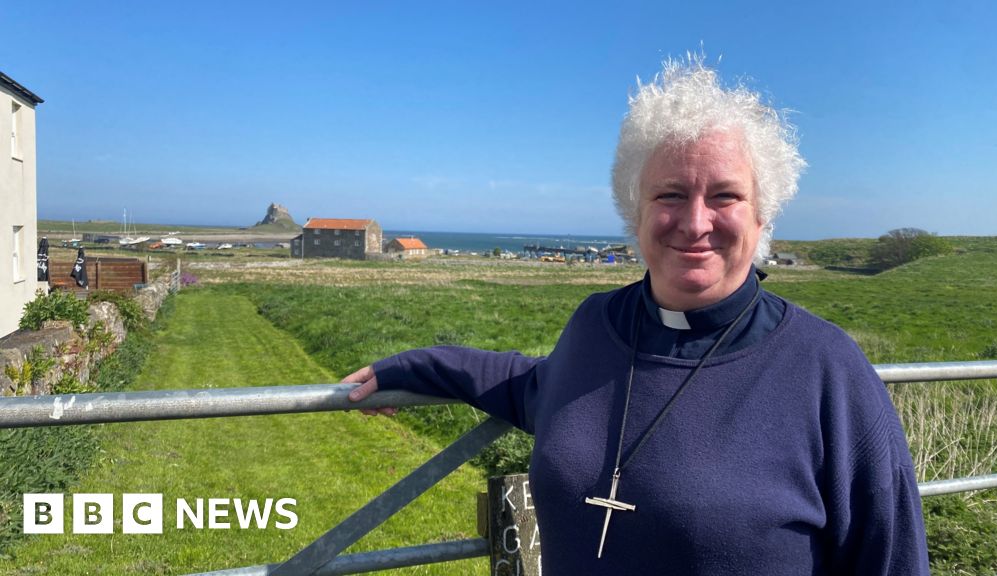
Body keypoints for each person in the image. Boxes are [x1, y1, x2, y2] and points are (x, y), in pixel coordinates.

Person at [344, 57, 930, 575]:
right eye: (670, 194)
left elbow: (892, 560)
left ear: (762, 215)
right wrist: (413, 368)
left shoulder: (828, 371)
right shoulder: (597, 323)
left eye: (725, 196)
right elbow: (537, 389)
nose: (695, 222)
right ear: (636, 210)